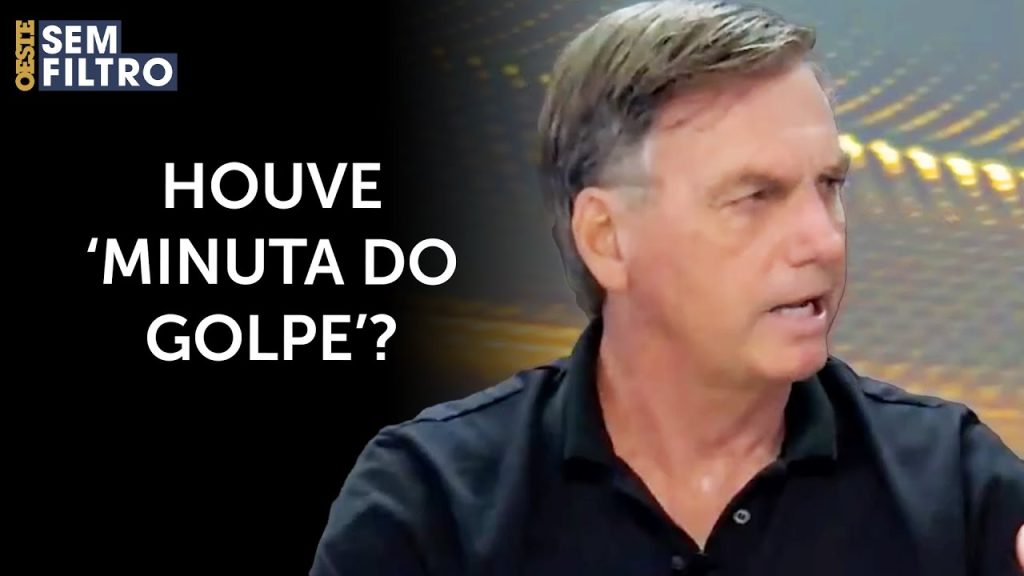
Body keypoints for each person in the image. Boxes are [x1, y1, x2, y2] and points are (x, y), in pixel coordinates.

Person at [310, 1, 1024, 574]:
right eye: (755, 196)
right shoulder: (431, 505)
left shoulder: (958, 490)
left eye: (829, 186)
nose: (824, 239)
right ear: (607, 239)